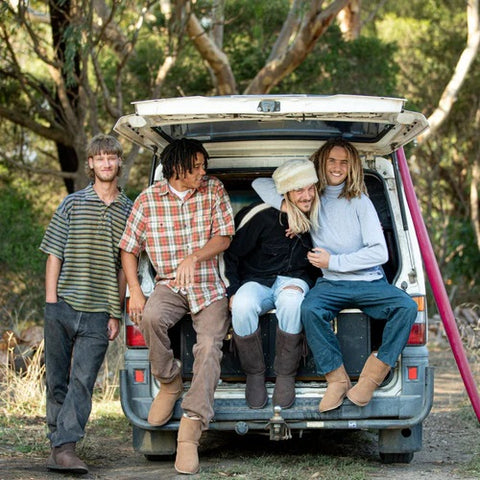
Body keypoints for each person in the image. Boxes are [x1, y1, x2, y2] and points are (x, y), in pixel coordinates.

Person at [252, 138, 418, 413]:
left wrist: (334, 261)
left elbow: (380, 254)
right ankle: (337, 379)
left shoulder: (360, 201)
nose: (337, 167)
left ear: (351, 165)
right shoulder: (311, 197)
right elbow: (260, 185)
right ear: (321, 163)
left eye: (343, 162)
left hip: (368, 281)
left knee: (407, 307)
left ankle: (372, 376)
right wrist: (288, 208)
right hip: (331, 284)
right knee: (310, 309)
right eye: (332, 161)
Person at [119, 138, 235, 475]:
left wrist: (194, 257)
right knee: (150, 317)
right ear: (176, 168)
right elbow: (129, 248)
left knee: (210, 345)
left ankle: (191, 428)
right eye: (196, 166)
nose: (203, 171)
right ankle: (169, 382)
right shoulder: (147, 200)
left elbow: (225, 236)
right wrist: (137, 293)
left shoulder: (213, 190)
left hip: (209, 286)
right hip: (169, 284)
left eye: (204, 165)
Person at [40, 134, 133, 473]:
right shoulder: (72, 204)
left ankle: (65, 448)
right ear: (91, 164)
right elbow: (53, 254)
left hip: (99, 313)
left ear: (118, 163)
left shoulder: (129, 209)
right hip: (63, 304)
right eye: (100, 158)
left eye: (112, 157)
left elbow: (127, 266)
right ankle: (58, 442)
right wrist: (51, 304)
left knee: (83, 380)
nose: (106, 163)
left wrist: (116, 312)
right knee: (57, 380)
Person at [222, 159, 319, 410]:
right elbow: (231, 255)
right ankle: (254, 374)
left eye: (311, 188)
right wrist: (231, 290)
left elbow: (324, 255)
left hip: (294, 280)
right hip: (257, 280)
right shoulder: (260, 215)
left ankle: (285, 375)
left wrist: (303, 230)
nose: (307, 195)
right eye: (299, 190)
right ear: (286, 192)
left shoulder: (321, 213)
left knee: (291, 302)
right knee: (242, 305)